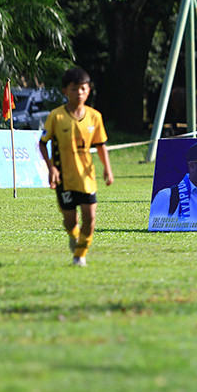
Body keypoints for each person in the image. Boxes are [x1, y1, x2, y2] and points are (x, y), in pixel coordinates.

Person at [38, 67, 114, 266]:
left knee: (90, 217)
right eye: (74, 89)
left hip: (86, 177)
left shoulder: (95, 116)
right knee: (70, 221)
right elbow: (42, 143)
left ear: (88, 90)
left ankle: (80, 256)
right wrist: (51, 168)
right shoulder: (56, 116)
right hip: (64, 178)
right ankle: (73, 235)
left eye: (83, 89)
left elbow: (101, 145)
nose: (79, 93)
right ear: (65, 91)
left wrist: (108, 168)